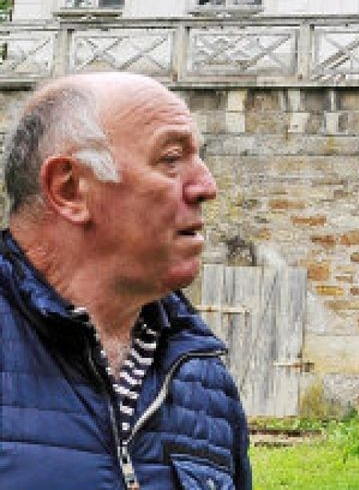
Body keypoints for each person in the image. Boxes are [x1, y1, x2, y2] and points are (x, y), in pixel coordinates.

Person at [0, 72, 251, 489]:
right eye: (171, 159)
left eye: (198, 159)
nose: (207, 187)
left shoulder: (202, 377)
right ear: (70, 188)